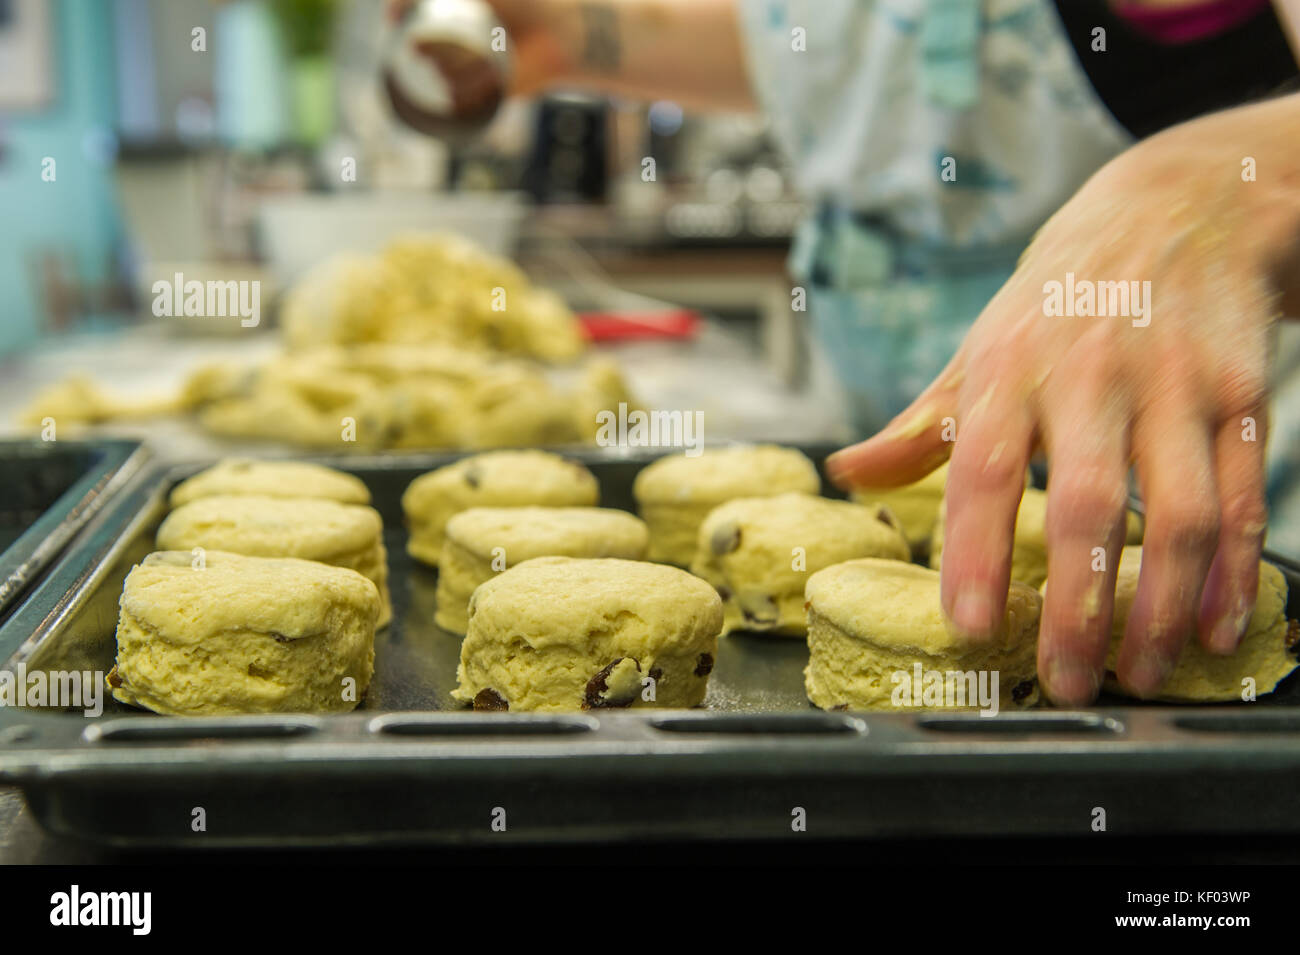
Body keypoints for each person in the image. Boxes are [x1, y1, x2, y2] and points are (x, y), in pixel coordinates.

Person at [403, 0, 1300, 705]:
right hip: (891, 468)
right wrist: (572, 30)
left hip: (1204, 492)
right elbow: (837, 40)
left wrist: (1222, 185)